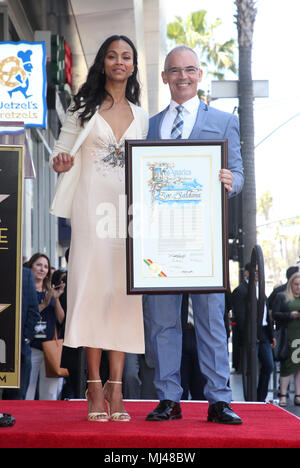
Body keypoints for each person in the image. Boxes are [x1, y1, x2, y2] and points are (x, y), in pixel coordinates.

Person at [49, 35, 148, 422]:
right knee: (91, 291)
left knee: (122, 295)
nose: (119, 61)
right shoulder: (82, 108)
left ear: (133, 65)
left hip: (129, 216)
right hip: (91, 213)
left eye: (126, 56)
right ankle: (93, 384)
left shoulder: (142, 116)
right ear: (103, 63)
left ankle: (116, 387)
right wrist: (60, 162)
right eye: (112, 55)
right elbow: (62, 151)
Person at [145, 45, 244, 424]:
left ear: (200, 75)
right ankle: (168, 398)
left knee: (211, 319)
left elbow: (239, 173)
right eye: (175, 70)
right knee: (162, 321)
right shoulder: (150, 126)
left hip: (205, 241)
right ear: (165, 77)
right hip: (161, 241)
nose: (182, 76)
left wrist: (230, 180)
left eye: (189, 70)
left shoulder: (223, 121)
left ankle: (219, 399)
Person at [25, 253, 65, 401]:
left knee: (50, 395)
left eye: (46, 266)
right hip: (31, 346)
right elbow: (26, 317)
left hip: (50, 347)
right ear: (30, 267)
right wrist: (44, 304)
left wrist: (55, 299)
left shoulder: (51, 291)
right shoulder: (24, 291)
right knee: (27, 391)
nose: (42, 269)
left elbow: (61, 319)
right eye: (39, 265)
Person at [2, 267, 40, 400]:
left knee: (17, 400)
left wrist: (24, 337)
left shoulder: (25, 274)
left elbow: (33, 311)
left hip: (20, 352)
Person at [272, 272, 300, 407]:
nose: (298, 287)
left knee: (299, 366)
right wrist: (289, 315)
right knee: (287, 365)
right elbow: (275, 315)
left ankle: (298, 395)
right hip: (287, 335)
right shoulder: (282, 296)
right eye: (296, 284)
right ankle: (283, 394)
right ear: (291, 284)